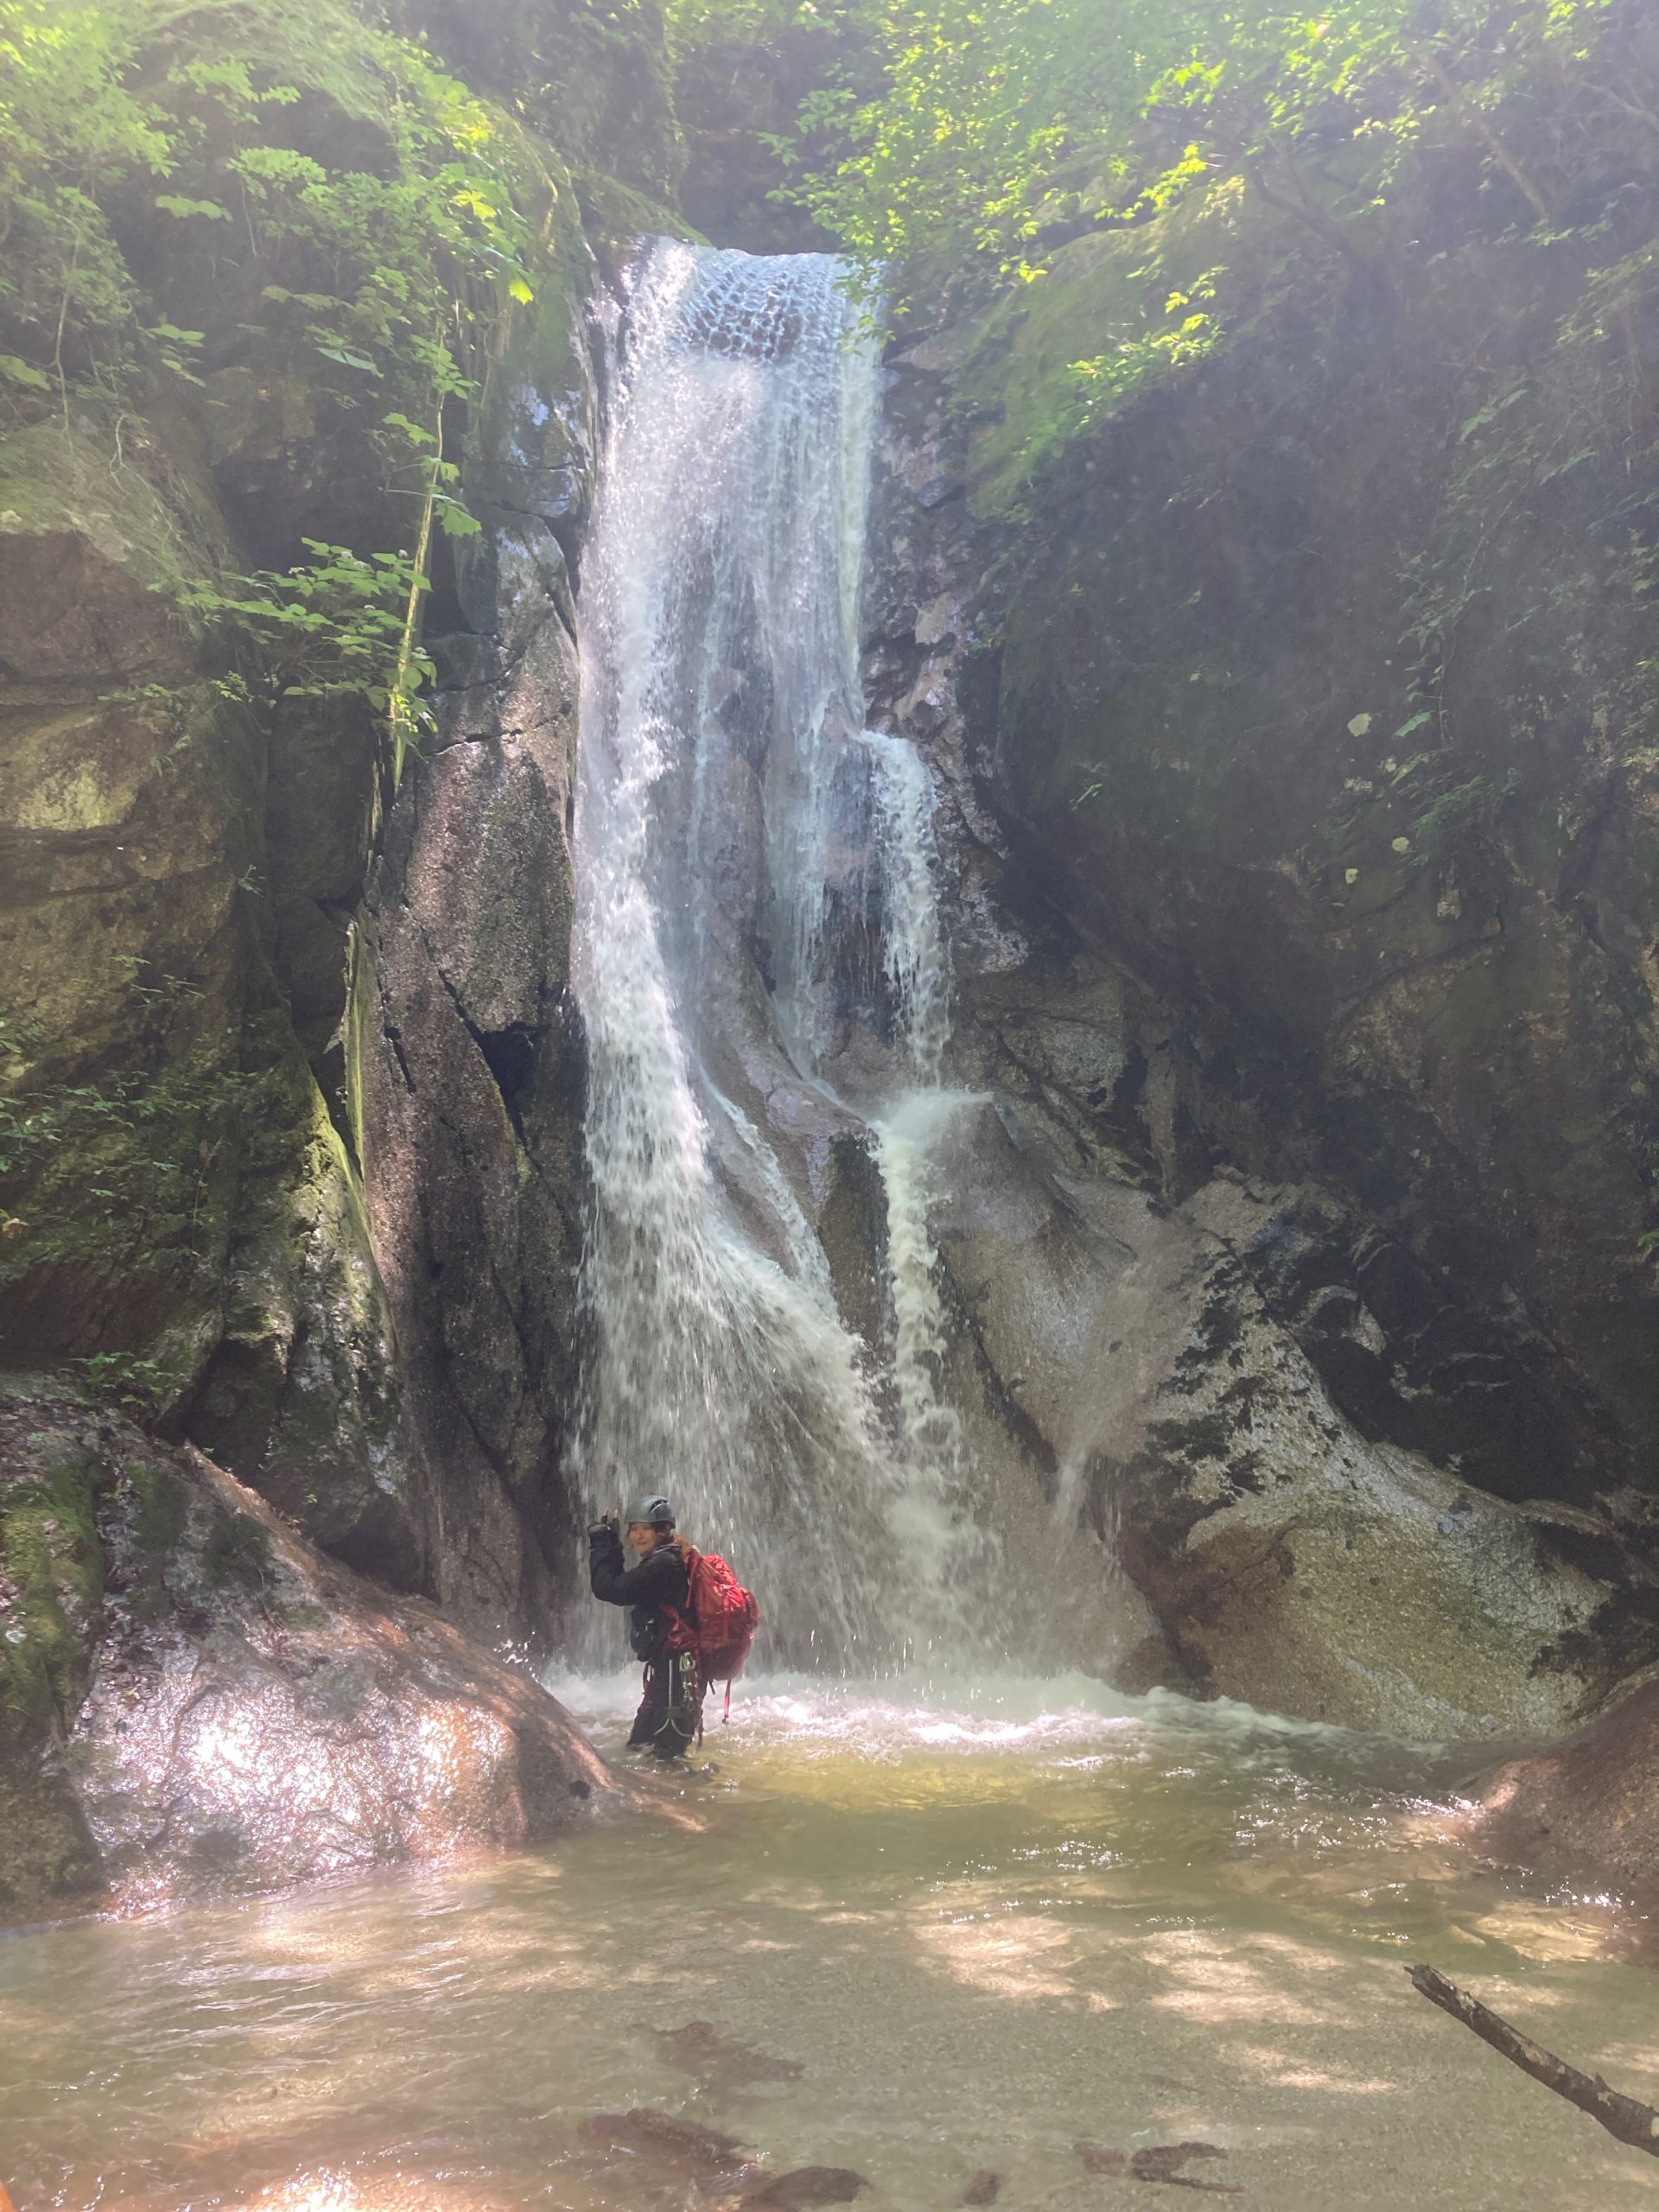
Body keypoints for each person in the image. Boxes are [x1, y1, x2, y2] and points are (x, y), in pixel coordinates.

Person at [588, 1493, 705, 1759]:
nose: (638, 1536)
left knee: (666, 1754)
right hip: (669, 1668)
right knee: (640, 1747)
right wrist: (612, 1546)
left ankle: (688, 1796)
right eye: (634, 1530)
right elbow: (621, 1584)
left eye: (646, 1529)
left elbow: (611, 1589)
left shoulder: (663, 1564)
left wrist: (601, 1544)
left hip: (677, 1670)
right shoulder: (668, 1557)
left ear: (663, 1531)